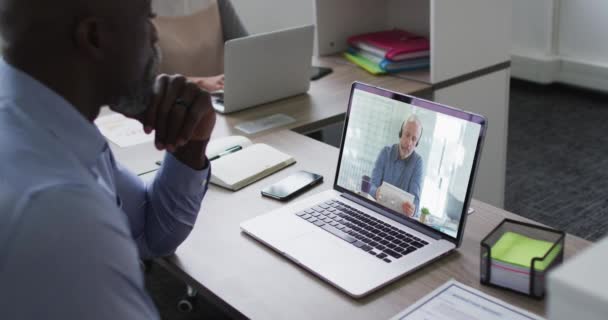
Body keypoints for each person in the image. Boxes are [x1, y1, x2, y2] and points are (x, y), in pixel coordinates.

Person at [0, 0, 215, 318]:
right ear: (95, 37)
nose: (155, 37)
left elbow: (149, 235)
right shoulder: (61, 213)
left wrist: (190, 145)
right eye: (147, 20)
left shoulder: (47, 120)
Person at [370, 115, 424, 218]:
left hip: (398, 220)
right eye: (407, 135)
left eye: (414, 139)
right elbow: (371, 185)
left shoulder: (418, 163)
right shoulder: (385, 152)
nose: (409, 143)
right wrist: (376, 192)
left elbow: (416, 203)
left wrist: (412, 210)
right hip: (377, 213)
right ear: (400, 134)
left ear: (417, 143)